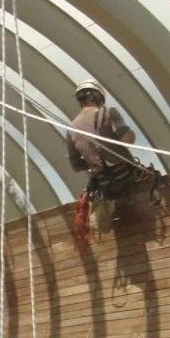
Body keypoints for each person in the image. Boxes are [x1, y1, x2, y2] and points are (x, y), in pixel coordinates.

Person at [66, 79, 138, 232]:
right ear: (98, 97)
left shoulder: (71, 129)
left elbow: (76, 166)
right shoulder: (108, 112)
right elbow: (128, 140)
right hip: (128, 177)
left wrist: (93, 161)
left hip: (105, 187)